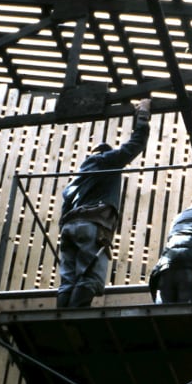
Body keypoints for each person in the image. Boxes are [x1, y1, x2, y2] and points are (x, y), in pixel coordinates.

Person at [57, 97, 152, 308]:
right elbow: (136, 145)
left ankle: (62, 319)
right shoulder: (106, 161)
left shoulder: (80, 175)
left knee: (68, 281)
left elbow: (65, 203)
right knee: (90, 277)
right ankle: (74, 320)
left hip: (69, 227)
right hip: (92, 224)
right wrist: (143, 117)